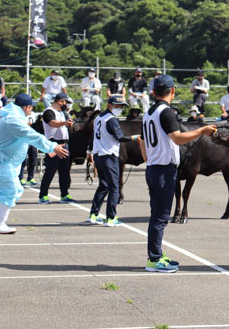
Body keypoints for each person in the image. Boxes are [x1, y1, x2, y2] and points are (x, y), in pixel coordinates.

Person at [138, 74, 217, 273]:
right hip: (163, 170)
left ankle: (155, 254)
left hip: (154, 167)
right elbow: (178, 138)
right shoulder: (166, 112)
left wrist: (150, 160)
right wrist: (202, 130)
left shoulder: (148, 112)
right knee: (161, 216)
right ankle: (154, 259)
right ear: (173, 91)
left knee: (157, 215)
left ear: (154, 91)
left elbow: (142, 142)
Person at [0, 93, 68, 234]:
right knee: (10, 191)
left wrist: (46, 148)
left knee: (17, 190)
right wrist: (52, 146)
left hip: (2, 162)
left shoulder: (14, 117)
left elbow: (28, 137)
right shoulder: (13, 120)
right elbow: (30, 134)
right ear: (27, 107)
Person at [87, 96, 139, 226]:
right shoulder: (111, 120)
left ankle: (94, 214)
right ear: (110, 105)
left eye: (121, 106)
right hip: (109, 156)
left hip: (99, 155)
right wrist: (133, 138)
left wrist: (89, 152)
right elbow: (119, 137)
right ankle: (111, 217)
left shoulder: (99, 118)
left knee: (103, 185)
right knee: (114, 187)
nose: (120, 108)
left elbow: (93, 137)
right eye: (117, 106)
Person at [38, 93, 75, 204]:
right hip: (53, 144)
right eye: (65, 102)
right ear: (60, 101)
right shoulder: (49, 111)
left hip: (64, 143)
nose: (66, 105)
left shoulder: (61, 113)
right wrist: (65, 123)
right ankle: (43, 195)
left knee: (64, 171)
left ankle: (64, 194)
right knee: (50, 170)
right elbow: (52, 123)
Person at [19, 111, 39, 186]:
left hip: (32, 139)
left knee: (33, 159)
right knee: (23, 160)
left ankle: (30, 177)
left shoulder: (34, 114)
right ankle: (20, 178)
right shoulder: (21, 114)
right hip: (24, 139)